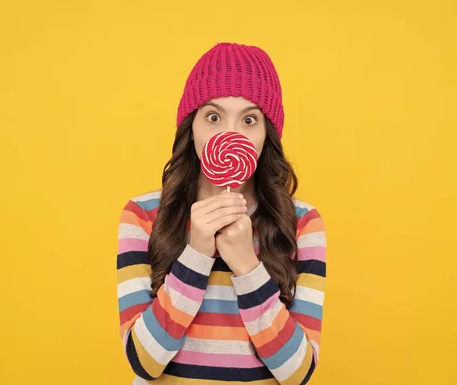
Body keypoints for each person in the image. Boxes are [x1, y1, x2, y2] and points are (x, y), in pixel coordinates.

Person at [117, 42, 327, 384]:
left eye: (249, 119)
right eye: (213, 117)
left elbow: (298, 372)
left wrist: (247, 266)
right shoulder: (143, 215)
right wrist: (196, 253)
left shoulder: (303, 224)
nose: (230, 134)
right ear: (191, 126)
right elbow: (143, 362)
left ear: (266, 134)